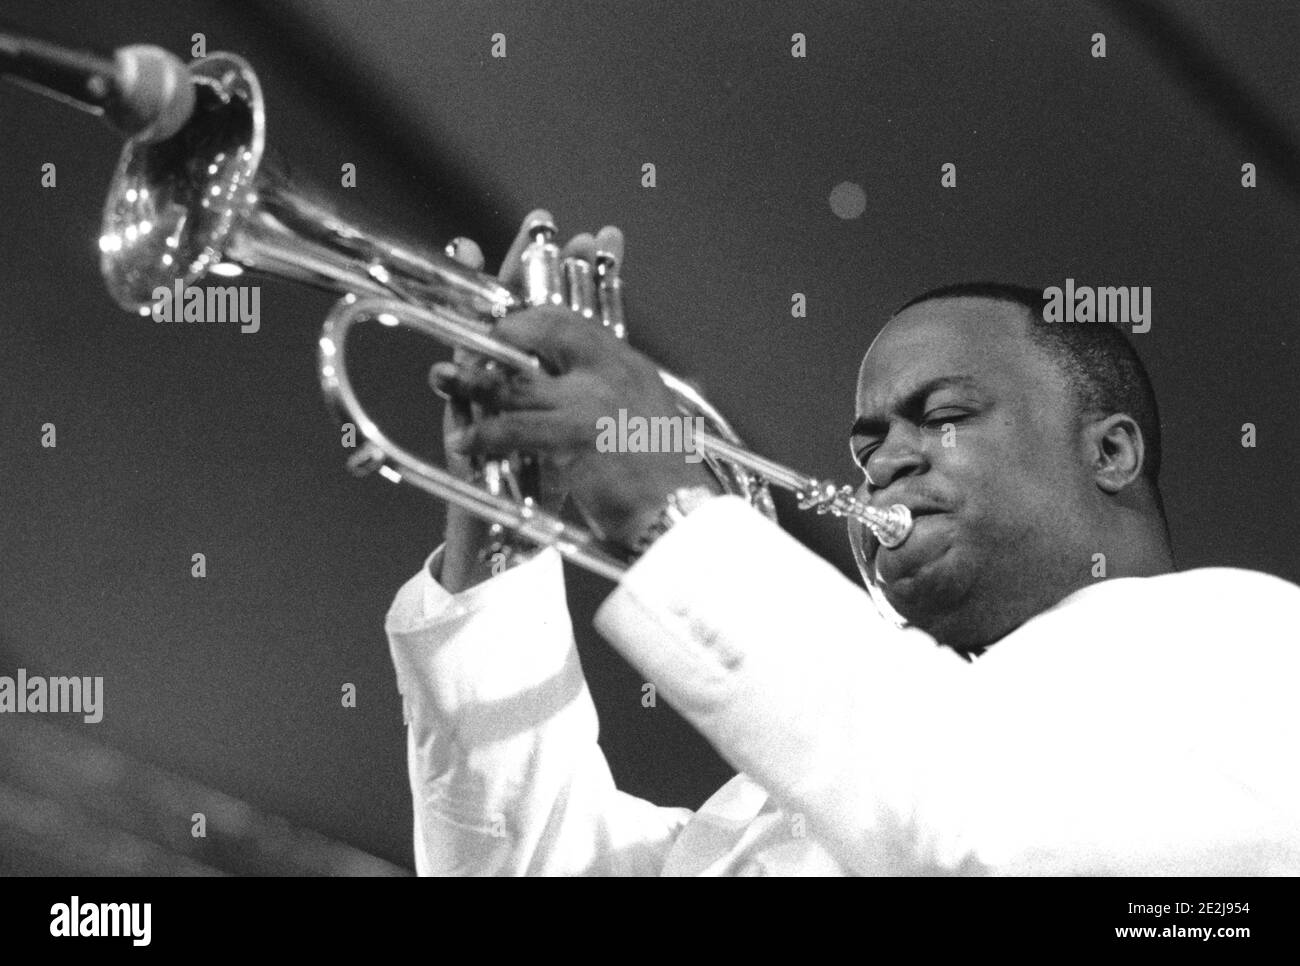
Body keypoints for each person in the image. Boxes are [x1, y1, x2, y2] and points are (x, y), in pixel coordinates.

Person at [383, 213, 1300, 875]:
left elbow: (994, 832)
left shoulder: (1246, 638)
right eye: (866, 447)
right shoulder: (763, 807)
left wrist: (668, 509)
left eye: (940, 416)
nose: (885, 460)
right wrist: (503, 531)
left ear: (1109, 451)